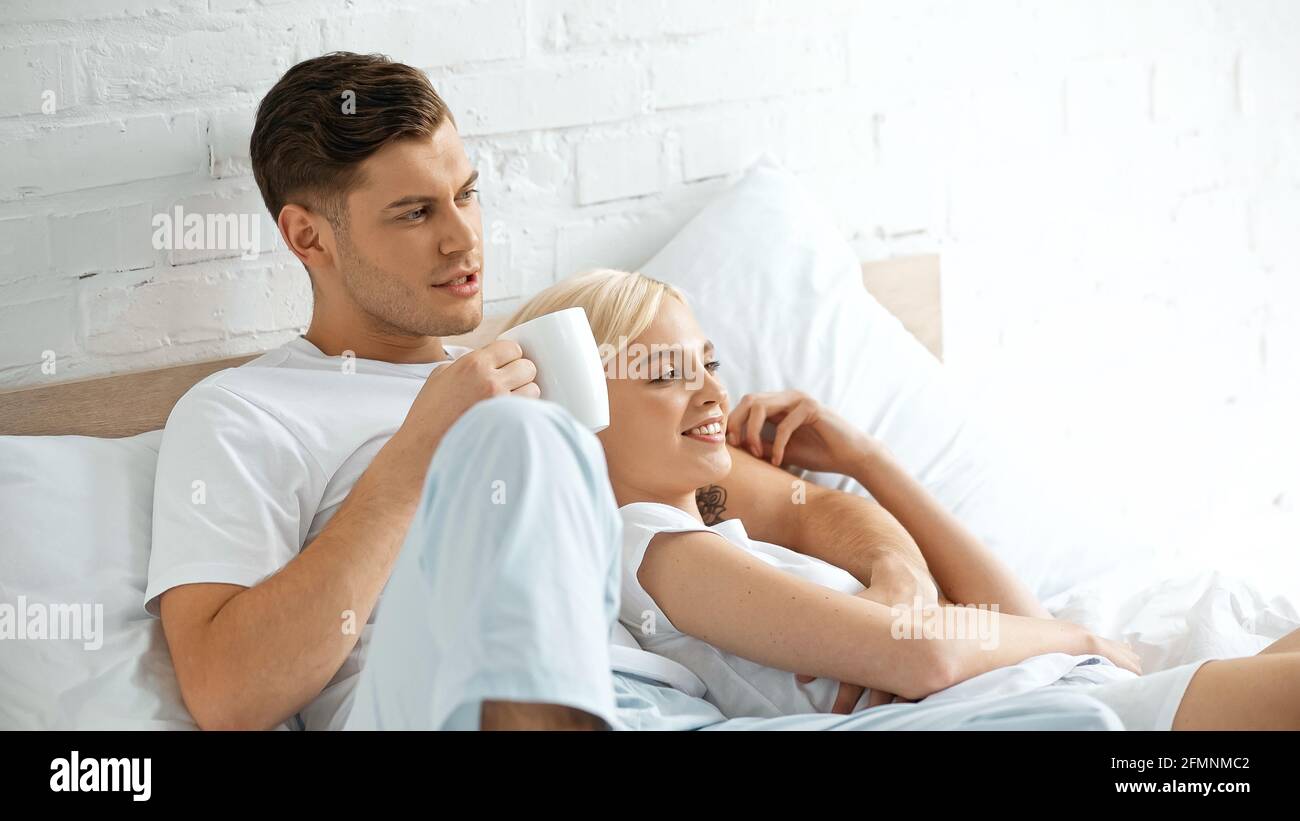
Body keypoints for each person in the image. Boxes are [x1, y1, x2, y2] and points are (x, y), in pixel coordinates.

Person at [141, 51, 1134, 732]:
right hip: (428, 706)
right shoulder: (239, 416)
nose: (463, 238)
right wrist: (422, 451)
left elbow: (801, 508)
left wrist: (898, 598)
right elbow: (230, 692)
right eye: (414, 212)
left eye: (468, 193)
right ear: (308, 236)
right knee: (525, 444)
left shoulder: (548, 366)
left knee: (1060, 716)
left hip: (659, 710)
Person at [493, 267, 1300, 731]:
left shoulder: (710, 534)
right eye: (669, 372)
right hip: (1072, 708)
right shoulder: (657, 552)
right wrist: (1076, 630)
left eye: (709, 361)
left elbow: (1007, 610)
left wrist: (868, 462)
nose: (711, 391)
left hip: (1072, 682)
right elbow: (927, 654)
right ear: (577, 412)